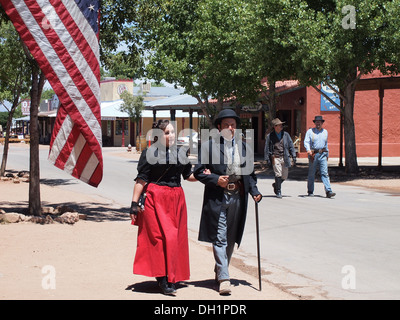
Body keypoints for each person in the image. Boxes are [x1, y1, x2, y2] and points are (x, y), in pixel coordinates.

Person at [193, 109, 262, 295]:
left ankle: (220, 269)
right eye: (226, 125)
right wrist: (216, 179)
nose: (230, 128)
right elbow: (198, 171)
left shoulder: (245, 147)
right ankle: (224, 278)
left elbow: (250, 175)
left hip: (238, 196)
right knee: (220, 236)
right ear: (218, 127)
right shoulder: (209, 146)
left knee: (231, 238)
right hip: (218, 197)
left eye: (233, 125)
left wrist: (255, 192)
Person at [129, 119, 196, 296]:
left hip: (176, 198)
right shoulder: (149, 153)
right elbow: (141, 179)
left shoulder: (182, 152)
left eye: (173, 132)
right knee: (158, 238)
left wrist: (206, 175)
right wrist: (134, 204)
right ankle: (163, 278)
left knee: (174, 238)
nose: (171, 135)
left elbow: (188, 175)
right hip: (155, 198)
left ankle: (170, 275)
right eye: (167, 133)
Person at [304, 115, 336, 198]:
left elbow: (326, 144)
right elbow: (306, 141)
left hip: (323, 154)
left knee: (325, 173)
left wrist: (327, 154)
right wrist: (308, 150)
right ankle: (310, 191)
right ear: (315, 123)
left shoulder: (325, 132)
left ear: (322, 123)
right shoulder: (310, 132)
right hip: (314, 154)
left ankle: (328, 190)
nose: (318, 123)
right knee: (311, 173)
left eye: (320, 122)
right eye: (317, 122)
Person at [264, 118, 297, 198]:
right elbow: (267, 147)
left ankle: (276, 185)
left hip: (285, 157)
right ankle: (278, 191)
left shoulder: (286, 135)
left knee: (284, 176)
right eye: (279, 125)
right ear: (275, 126)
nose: (281, 126)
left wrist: (294, 156)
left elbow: (291, 145)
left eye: (281, 124)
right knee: (278, 173)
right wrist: (267, 158)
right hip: (275, 157)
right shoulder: (270, 136)